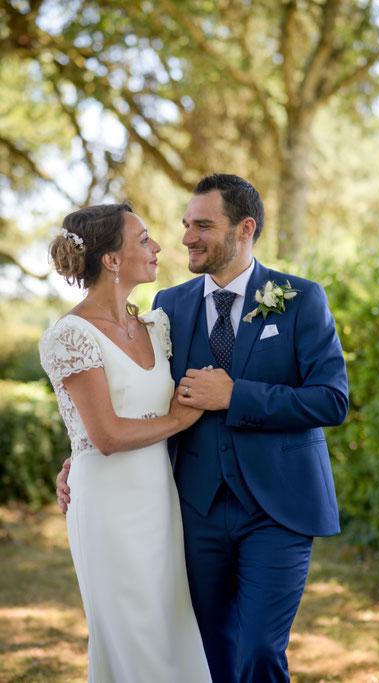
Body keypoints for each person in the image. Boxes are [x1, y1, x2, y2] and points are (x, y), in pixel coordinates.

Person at [57, 174, 349, 683]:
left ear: (245, 229)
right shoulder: (168, 305)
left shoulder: (301, 298)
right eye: (186, 224)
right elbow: (139, 392)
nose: (187, 237)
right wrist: (81, 451)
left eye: (204, 226)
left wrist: (237, 395)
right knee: (207, 652)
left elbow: (332, 400)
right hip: (192, 511)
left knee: (259, 650)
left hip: (277, 509)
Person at [39, 203, 212, 682]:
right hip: (109, 507)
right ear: (112, 260)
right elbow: (107, 434)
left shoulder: (156, 326)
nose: (158, 246)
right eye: (143, 239)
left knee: (170, 630)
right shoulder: (69, 336)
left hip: (160, 500)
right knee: (133, 637)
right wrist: (179, 420)